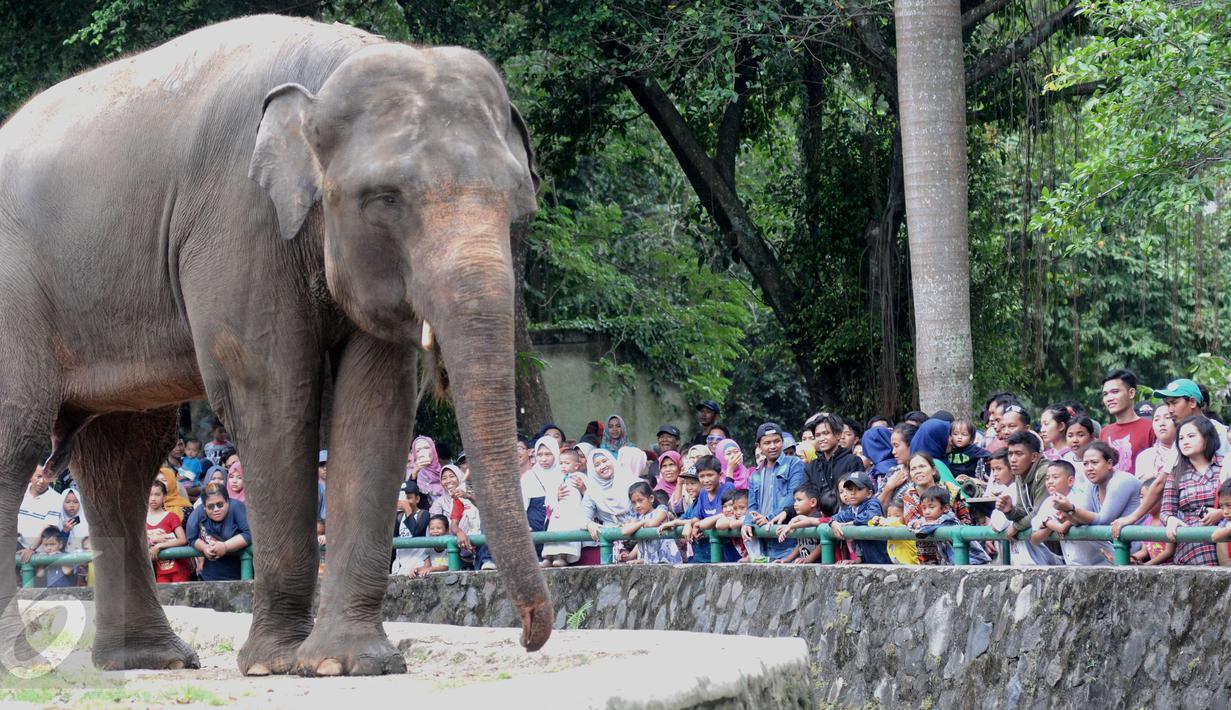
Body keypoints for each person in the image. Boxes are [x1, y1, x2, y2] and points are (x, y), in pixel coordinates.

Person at [1158, 416, 1223, 566]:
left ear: (1207, 438)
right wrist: (1171, 520)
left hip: (1224, 533)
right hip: (1191, 540)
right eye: (1181, 438)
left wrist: (1221, 513)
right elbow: (1166, 511)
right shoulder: (1176, 473)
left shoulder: (1225, 464)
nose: (1185, 441)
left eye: (1191, 436)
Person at [742, 423, 806, 561]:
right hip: (762, 542)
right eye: (767, 443)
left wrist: (768, 518)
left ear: (782, 442)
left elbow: (793, 496)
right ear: (759, 446)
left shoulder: (794, 463)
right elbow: (752, 506)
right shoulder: (755, 474)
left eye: (777, 441)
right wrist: (747, 522)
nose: (772, 446)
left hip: (787, 541)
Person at [1029, 460, 1109, 566]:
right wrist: (1050, 524)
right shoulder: (1048, 503)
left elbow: (1078, 519)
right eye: (1047, 478)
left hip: (1102, 561)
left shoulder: (1081, 498)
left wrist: (1060, 522)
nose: (1050, 482)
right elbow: (1034, 539)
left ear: (1070, 481)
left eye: (1055, 477)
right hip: (1074, 564)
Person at [661, 456, 737, 563]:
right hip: (704, 555)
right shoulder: (703, 493)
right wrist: (682, 523)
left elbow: (725, 517)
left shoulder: (727, 488)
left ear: (720, 476)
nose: (706, 480)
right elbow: (696, 518)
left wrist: (697, 524)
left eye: (710, 475)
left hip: (726, 554)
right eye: (702, 476)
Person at [901, 453, 971, 564]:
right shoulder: (909, 496)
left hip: (957, 552)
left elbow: (965, 520)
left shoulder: (951, 489)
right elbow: (912, 522)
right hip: (926, 558)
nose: (918, 471)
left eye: (922, 466)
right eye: (913, 469)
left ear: (933, 470)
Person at [582, 449, 642, 563]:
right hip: (612, 541)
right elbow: (581, 516)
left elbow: (648, 506)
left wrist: (637, 521)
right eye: (597, 465)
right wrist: (589, 524)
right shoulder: (592, 492)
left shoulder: (631, 482)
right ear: (593, 469)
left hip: (638, 535)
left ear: (612, 461)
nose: (603, 466)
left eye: (605, 461)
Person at [185, 482, 252, 581]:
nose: (216, 509)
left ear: (227, 501)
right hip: (210, 575)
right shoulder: (198, 513)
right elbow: (191, 538)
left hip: (240, 573)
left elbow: (249, 533)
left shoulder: (237, 507)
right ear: (204, 507)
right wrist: (204, 547)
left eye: (220, 505)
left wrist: (225, 546)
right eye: (211, 506)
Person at [1154, 378, 1229, 459]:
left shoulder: (1218, 432)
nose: (1170, 410)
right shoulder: (1181, 435)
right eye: (1168, 404)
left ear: (1192, 402)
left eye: (1174, 403)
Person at [1099, 369, 1156, 472]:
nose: (1109, 398)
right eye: (1105, 394)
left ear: (1131, 393)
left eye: (1115, 392)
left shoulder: (1151, 428)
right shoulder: (1104, 432)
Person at [828, 471, 890, 564]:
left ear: (869, 493)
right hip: (867, 560)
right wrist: (832, 522)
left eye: (859, 489)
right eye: (850, 489)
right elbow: (837, 517)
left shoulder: (873, 503)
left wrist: (852, 522)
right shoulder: (852, 509)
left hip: (884, 559)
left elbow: (871, 515)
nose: (853, 493)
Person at [540, 436, 584, 567]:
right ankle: (548, 558)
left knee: (567, 535)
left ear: (576, 466)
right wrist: (555, 498)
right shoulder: (556, 477)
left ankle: (562, 557)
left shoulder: (581, 477)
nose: (563, 466)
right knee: (552, 534)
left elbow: (589, 495)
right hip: (557, 512)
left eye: (567, 463)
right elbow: (549, 496)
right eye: (561, 463)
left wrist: (583, 488)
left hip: (572, 513)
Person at [799, 414, 863, 501]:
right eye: (817, 435)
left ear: (838, 435)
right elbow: (806, 496)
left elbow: (858, 494)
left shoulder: (853, 461)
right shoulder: (811, 467)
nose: (821, 438)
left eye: (826, 433)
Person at [618, 481, 682, 564]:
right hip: (651, 563)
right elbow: (625, 532)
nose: (637, 505)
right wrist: (629, 556)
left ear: (651, 498)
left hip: (667, 561)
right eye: (634, 502)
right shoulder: (639, 518)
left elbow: (652, 524)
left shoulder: (661, 510)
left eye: (640, 500)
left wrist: (639, 523)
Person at [147, 481, 191, 583]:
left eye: (157, 494)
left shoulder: (171, 516)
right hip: (160, 570)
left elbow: (182, 540)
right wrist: (152, 541)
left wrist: (159, 546)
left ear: (164, 497)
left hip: (179, 568)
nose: (153, 498)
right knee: (162, 592)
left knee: (180, 593)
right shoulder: (143, 521)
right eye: (150, 495)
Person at [18, 465, 63, 564]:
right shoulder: (19, 491)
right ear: (30, 475)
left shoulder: (56, 499)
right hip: (14, 545)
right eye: (38, 476)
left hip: (40, 552)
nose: (42, 481)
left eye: (46, 477)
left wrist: (31, 549)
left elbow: (47, 527)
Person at [773, 483, 826, 564]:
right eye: (795, 500)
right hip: (806, 564)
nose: (795, 504)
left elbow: (823, 544)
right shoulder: (799, 519)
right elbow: (801, 544)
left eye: (799, 500)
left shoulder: (818, 517)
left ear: (813, 502)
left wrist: (808, 559)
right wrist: (787, 560)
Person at [907, 487, 960, 564]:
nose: (927, 512)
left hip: (970, 560)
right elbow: (913, 523)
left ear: (945, 508)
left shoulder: (949, 518)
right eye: (924, 508)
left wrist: (922, 528)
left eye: (931, 507)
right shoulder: (930, 519)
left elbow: (935, 524)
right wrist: (915, 524)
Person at [392, 479, 431, 576]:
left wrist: (407, 509)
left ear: (417, 499)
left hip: (418, 564)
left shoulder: (424, 514)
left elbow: (415, 532)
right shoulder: (399, 517)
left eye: (409, 498)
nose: (405, 501)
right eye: (402, 498)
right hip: (401, 565)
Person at [1134, 407, 1178, 482]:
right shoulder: (1145, 456)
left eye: (1167, 418)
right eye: (1156, 419)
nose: (1162, 423)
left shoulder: (1187, 450)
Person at [59, 487, 90, 552]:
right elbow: (55, 546)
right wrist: (65, 532)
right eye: (67, 502)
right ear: (62, 503)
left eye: (75, 502)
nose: (72, 505)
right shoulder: (57, 520)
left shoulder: (88, 521)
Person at [317, 450, 328, 521]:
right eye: (321, 465)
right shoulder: (317, 486)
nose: (325, 468)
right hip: (321, 522)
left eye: (327, 464)